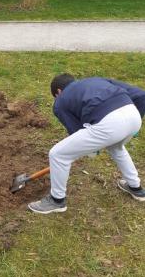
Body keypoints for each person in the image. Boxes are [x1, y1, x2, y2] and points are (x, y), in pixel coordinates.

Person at [29, 74, 145, 214]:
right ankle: (135, 188)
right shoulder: (98, 80)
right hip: (133, 116)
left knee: (58, 154)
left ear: (58, 92)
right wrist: (133, 121)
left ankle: (56, 201)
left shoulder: (60, 101)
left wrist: (92, 150)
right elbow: (141, 95)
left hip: (109, 124)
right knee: (117, 148)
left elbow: (76, 130)